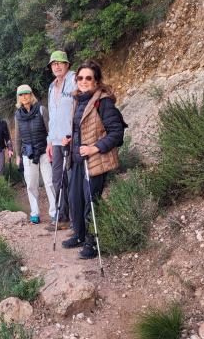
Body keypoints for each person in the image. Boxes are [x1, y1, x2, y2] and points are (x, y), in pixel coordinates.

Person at [61, 60, 126, 259]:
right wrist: (71, 141)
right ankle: (80, 235)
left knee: (91, 201)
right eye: (80, 78)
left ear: (96, 80)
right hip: (79, 159)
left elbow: (117, 133)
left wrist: (93, 148)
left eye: (88, 78)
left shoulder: (103, 101)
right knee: (75, 199)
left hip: (96, 160)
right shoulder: (79, 100)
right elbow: (82, 129)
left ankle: (93, 242)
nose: (83, 81)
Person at [14, 85, 56, 225]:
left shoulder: (41, 109)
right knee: (31, 184)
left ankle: (54, 212)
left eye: (26, 93)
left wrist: (51, 146)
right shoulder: (17, 115)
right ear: (18, 97)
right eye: (21, 95)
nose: (24, 96)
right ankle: (35, 213)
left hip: (44, 151)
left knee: (49, 182)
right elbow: (18, 136)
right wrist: (18, 155)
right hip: (28, 153)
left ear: (31, 94)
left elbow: (50, 129)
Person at [45, 50, 76, 231]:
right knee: (57, 179)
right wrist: (49, 141)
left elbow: (78, 108)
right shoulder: (51, 87)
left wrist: (73, 135)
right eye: (53, 63)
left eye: (60, 62)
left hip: (70, 139)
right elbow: (52, 117)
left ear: (67, 64)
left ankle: (75, 218)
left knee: (71, 179)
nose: (56, 66)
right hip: (56, 141)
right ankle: (62, 217)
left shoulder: (73, 80)